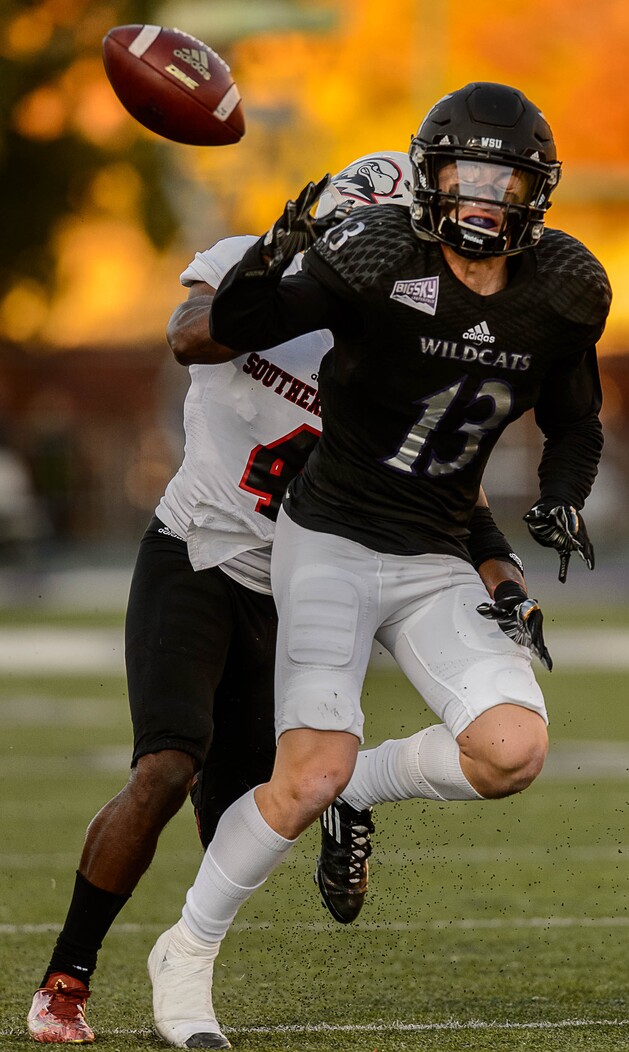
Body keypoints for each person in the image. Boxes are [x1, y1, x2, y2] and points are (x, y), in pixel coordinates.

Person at [26, 150, 530, 1047]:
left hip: (309, 584)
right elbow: (191, 335)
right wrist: (272, 261)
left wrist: (497, 568)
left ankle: (345, 798)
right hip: (197, 552)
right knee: (165, 769)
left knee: (249, 817)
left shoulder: (400, 325)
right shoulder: (248, 268)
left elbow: (445, 472)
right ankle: (69, 974)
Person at [146, 81, 610, 1048]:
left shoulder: (565, 290)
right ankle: (187, 950)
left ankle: (365, 786)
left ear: (537, 193)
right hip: (333, 540)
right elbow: (224, 332)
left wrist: (561, 496)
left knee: (513, 749)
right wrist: (265, 263)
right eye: (467, 176)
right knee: (304, 776)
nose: (484, 198)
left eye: (505, 180)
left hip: (437, 548)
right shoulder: (376, 256)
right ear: (431, 178)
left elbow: (577, 419)